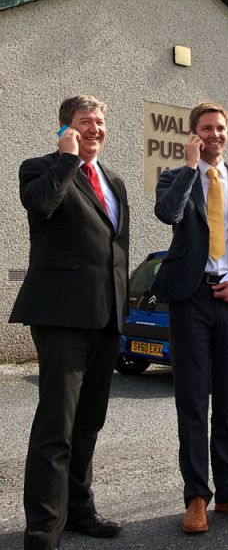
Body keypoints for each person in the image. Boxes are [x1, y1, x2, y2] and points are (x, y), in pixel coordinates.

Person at [10, 95, 129, 550]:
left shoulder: (113, 180)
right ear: (65, 128)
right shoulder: (40, 167)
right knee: (55, 426)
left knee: (88, 424)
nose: (95, 128)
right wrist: (67, 158)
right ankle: (43, 529)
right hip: (62, 317)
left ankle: (80, 511)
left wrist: (125, 307)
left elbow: (117, 252)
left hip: (106, 317)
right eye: (85, 122)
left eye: (100, 121)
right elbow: (41, 207)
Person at [151, 101, 228, 533]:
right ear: (193, 134)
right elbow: (168, 214)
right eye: (206, 129)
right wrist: (188, 169)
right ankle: (196, 497)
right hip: (191, 300)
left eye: (220, 128)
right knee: (191, 400)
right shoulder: (173, 178)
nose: (214, 135)